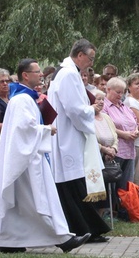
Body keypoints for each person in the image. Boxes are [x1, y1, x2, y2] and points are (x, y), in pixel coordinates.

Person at [0, 59, 90, 255]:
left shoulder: (25, 98)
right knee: (38, 200)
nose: (41, 74)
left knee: (25, 203)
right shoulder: (21, 100)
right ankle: (62, 238)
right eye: (37, 71)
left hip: (28, 156)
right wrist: (46, 129)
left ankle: (8, 241)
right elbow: (23, 130)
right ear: (25, 75)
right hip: (25, 161)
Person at [47, 39, 111, 243]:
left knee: (74, 185)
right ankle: (84, 228)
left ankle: (86, 227)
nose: (91, 63)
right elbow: (74, 108)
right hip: (69, 137)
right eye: (90, 58)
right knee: (73, 184)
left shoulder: (66, 71)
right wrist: (91, 110)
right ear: (80, 55)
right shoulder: (68, 74)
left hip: (68, 134)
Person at [102, 76, 139, 193]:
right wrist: (123, 134)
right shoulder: (104, 106)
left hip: (130, 150)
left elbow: (135, 122)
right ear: (108, 89)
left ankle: (125, 210)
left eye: (122, 93)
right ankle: (112, 210)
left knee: (127, 186)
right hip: (116, 150)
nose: (120, 95)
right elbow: (105, 125)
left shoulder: (125, 107)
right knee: (112, 186)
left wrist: (136, 131)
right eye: (117, 92)